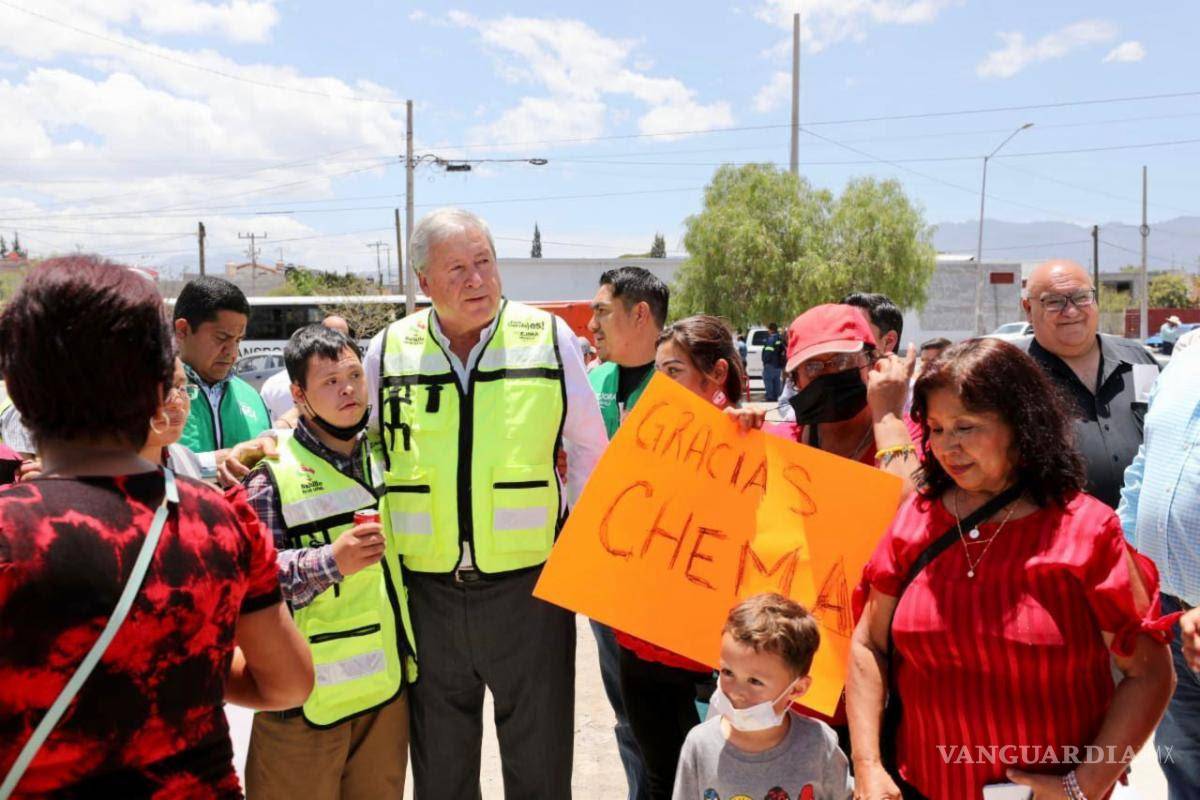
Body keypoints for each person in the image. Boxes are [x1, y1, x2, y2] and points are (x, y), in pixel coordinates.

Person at [0, 256, 313, 797]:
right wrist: (176, 664)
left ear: (18, 384)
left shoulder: (11, 529)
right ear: (154, 382)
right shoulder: (219, 519)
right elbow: (287, 682)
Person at [847, 337, 1175, 800]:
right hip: (922, 788)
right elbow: (867, 643)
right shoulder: (916, 521)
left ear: (1021, 427)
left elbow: (1149, 673)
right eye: (936, 429)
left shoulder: (1087, 531)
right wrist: (868, 766)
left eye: (966, 427)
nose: (947, 446)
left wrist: (1085, 785)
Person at [369, 208, 608, 797]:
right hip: (427, 594)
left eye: (485, 263)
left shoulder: (547, 338)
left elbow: (587, 452)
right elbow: (366, 448)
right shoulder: (387, 350)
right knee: (441, 773)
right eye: (457, 268)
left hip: (530, 592)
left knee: (541, 765)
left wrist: (582, 558)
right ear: (424, 283)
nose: (477, 280)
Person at [242, 324, 417, 799]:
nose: (348, 391)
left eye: (355, 377)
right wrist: (329, 562)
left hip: (383, 693)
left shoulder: (385, 454)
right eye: (330, 382)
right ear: (299, 395)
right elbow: (250, 585)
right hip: (304, 706)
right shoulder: (271, 476)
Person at [613, 314, 762, 800]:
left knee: (723, 781)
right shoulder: (643, 436)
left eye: (673, 371)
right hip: (643, 644)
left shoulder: (758, 440)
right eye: (656, 372)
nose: (660, 384)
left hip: (713, 654)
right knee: (661, 776)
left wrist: (752, 433)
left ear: (716, 374)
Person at [587, 265, 672, 800]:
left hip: (669, 582)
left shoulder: (679, 383)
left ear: (640, 314)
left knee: (671, 711)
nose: (592, 323)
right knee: (623, 712)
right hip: (603, 582)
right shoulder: (588, 382)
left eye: (602, 310)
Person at [1117, 341, 1200, 799]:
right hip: (1168, 615)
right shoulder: (1187, 358)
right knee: (1184, 765)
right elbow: (1146, 469)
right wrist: (1122, 562)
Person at [672, 593, 851, 800]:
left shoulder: (818, 743)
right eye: (728, 672)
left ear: (796, 689)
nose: (737, 692)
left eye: (755, 681)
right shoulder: (700, 744)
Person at [1017, 258, 1159, 509]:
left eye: (1081, 297)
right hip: (1059, 539)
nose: (1071, 311)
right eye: (1054, 302)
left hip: (1141, 539)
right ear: (1028, 309)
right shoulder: (1013, 376)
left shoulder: (1139, 360)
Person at [770, 304, 920, 495]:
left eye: (843, 361)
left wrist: (888, 418)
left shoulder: (913, 438)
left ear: (873, 362)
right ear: (796, 380)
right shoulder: (780, 444)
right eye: (812, 367)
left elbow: (910, 512)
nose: (829, 373)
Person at [174, 276, 272, 479]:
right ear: (183, 330)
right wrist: (211, 464)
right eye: (222, 338)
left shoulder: (251, 396)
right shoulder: (153, 394)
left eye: (238, 340)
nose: (233, 352)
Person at [259, 315, 352, 424]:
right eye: (331, 382)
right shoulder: (273, 386)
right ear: (299, 394)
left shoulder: (356, 380)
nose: (337, 343)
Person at [761, 322, 785, 402]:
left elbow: (768, 351)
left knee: (768, 379)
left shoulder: (771, 339)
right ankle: (776, 396)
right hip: (778, 364)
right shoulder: (779, 338)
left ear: (770, 330)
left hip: (770, 364)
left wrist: (765, 361)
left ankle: (770, 397)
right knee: (776, 380)